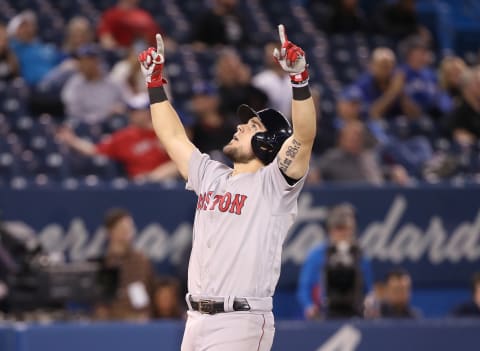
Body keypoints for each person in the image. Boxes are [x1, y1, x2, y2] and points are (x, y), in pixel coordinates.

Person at [138, 24, 316, 350]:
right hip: (195, 319)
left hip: (240, 320)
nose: (239, 126)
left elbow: (303, 138)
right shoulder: (212, 175)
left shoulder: (274, 184)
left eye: (252, 126)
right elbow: (173, 137)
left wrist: (299, 80)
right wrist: (154, 84)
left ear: (268, 142)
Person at [57, 95, 178, 181]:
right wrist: (72, 140)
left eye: (142, 111)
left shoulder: (164, 131)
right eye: (134, 111)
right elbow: (95, 150)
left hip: (168, 179)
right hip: (139, 184)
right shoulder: (124, 137)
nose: (139, 115)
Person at [297, 203, 373, 319]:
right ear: (330, 230)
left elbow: (368, 289)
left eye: (346, 228)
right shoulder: (316, 255)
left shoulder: (360, 254)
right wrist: (310, 307)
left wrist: (369, 303)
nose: (342, 233)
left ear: (353, 229)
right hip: (325, 314)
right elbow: (304, 288)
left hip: (355, 313)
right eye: (338, 228)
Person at [94, 208, 157, 321]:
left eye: (130, 228)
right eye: (122, 228)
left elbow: (152, 292)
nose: (128, 232)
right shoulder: (103, 264)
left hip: (141, 323)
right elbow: (99, 304)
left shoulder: (141, 261)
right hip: (111, 325)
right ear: (110, 232)